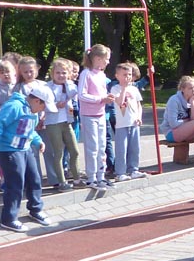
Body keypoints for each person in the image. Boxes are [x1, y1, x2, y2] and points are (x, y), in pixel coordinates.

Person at [0, 81, 55, 233]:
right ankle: (9, 218)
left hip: (25, 148)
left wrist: (38, 141)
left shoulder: (33, 112)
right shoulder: (14, 107)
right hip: (9, 151)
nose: (44, 110)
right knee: (15, 183)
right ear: (37, 101)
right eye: (43, 106)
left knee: (34, 178)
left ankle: (35, 209)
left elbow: (29, 131)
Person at [77, 44, 116, 190]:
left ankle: (101, 175)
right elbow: (82, 95)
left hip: (100, 115)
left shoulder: (101, 75)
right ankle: (91, 177)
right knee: (92, 147)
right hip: (89, 115)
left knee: (102, 146)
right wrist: (101, 99)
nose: (108, 62)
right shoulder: (86, 74)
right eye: (106, 59)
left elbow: (102, 94)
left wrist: (107, 98)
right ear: (98, 59)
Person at [43, 58, 80, 190]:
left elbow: (74, 93)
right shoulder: (47, 87)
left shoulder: (69, 85)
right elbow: (44, 104)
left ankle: (76, 179)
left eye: (64, 73)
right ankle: (62, 181)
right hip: (53, 122)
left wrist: (68, 83)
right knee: (58, 152)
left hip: (67, 121)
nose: (61, 76)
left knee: (74, 151)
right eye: (58, 73)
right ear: (53, 73)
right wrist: (55, 105)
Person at [162, 76, 194, 167]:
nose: (193, 90)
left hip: (184, 130)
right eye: (190, 88)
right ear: (182, 89)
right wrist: (187, 122)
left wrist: (192, 102)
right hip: (171, 133)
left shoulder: (193, 100)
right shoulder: (174, 100)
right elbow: (173, 124)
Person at [111, 61, 145, 180]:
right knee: (122, 148)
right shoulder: (115, 89)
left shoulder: (134, 89)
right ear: (117, 76)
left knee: (135, 148)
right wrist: (124, 89)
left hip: (134, 123)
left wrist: (139, 117)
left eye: (129, 74)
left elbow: (138, 105)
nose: (128, 77)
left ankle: (133, 169)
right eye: (124, 75)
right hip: (121, 124)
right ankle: (120, 172)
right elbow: (120, 102)